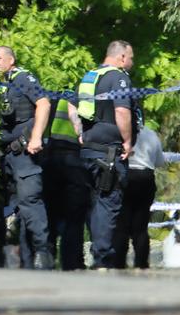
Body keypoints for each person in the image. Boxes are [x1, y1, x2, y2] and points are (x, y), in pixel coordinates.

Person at [76, 40, 137, 269]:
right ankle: (102, 259)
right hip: (110, 153)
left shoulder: (89, 77)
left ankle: (95, 253)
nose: (131, 63)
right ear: (121, 57)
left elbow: (75, 108)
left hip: (88, 150)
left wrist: (81, 133)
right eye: (131, 58)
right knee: (107, 204)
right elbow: (122, 111)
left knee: (93, 205)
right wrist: (128, 141)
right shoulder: (118, 77)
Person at [0, 46, 53, 269]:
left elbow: (44, 103)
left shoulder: (23, 78)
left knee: (30, 203)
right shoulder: (3, 83)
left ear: (11, 59)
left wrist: (36, 137)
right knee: (17, 208)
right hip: (7, 156)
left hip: (24, 154)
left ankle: (42, 256)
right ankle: (27, 262)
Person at [42, 97, 91, 270]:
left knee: (50, 215)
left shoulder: (49, 101)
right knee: (74, 217)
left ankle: (46, 260)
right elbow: (82, 131)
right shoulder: (80, 102)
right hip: (74, 162)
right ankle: (72, 263)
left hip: (50, 160)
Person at [112, 122, 164, 269]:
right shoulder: (151, 134)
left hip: (126, 176)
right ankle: (141, 263)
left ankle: (118, 263)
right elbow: (160, 162)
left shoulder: (118, 131)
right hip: (146, 177)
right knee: (140, 226)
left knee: (121, 224)